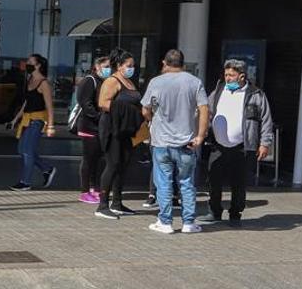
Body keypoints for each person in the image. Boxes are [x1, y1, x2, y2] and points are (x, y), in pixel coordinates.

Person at [140, 49, 209, 234]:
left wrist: (152, 119)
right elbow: (204, 109)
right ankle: (188, 222)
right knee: (186, 182)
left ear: (164, 63)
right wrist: (200, 136)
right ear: (183, 64)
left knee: (163, 182)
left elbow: (145, 110)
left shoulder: (156, 82)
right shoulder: (195, 82)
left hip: (161, 142)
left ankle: (165, 221)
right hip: (186, 142)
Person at [205, 59, 275, 227]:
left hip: (242, 147)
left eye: (231, 75)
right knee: (213, 180)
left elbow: (266, 120)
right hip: (218, 145)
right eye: (226, 74)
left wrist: (265, 143)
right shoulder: (219, 90)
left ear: (242, 76)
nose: (227, 78)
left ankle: (235, 214)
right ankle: (214, 211)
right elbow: (206, 110)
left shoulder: (256, 95)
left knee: (239, 182)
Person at [94, 49, 144, 219]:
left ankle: (117, 202)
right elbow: (103, 103)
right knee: (113, 164)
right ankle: (102, 205)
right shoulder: (111, 81)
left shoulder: (130, 82)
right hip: (112, 128)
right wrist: (129, 110)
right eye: (128, 65)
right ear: (119, 66)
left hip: (126, 129)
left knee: (123, 164)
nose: (132, 68)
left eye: (133, 65)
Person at [7, 54, 57, 191]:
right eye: (27, 61)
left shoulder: (43, 83)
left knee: (28, 151)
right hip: (27, 119)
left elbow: (49, 106)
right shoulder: (29, 80)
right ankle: (47, 169)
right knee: (22, 149)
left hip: (38, 120)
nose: (27, 63)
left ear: (38, 65)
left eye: (30, 61)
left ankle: (25, 181)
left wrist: (51, 126)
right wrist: (15, 119)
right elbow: (26, 103)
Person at [74, 56, 110, 204]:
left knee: (97, 159)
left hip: (98, 127)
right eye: (106, 66)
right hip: (89, 126)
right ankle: (84, 191)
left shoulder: (103, 81)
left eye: (110, 66)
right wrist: (98, 116)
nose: (109, 69)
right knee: (88, 159)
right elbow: (85, 102)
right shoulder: (89, 80)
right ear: (97, 66)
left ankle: (94, 188)